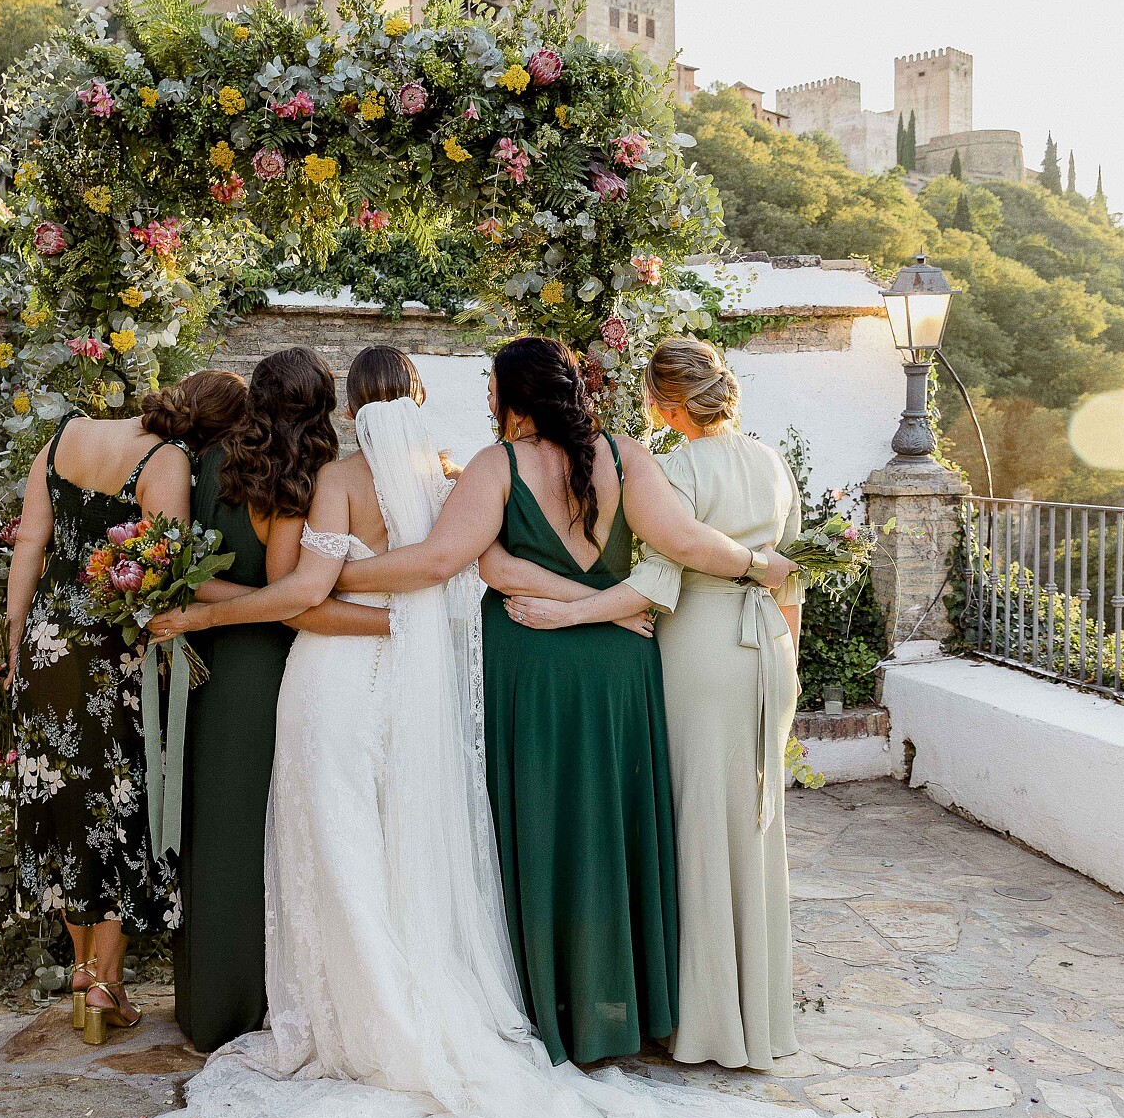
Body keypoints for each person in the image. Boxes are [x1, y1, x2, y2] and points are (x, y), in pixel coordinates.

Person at [153, 378, 1124, 1118]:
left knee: (410, 851)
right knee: (508, 849)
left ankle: (445, 1010)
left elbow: (409, 576)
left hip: (448, 677)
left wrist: (281, 597)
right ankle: (576, 1004)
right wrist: (685, 582)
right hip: (587, 668)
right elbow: (593, 561)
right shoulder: (580, 461)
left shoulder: (444, 473)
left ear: (501, 403)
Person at [335, 336, 793, 1066]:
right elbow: (679, 541)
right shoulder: (625, 457)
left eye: (490, 386)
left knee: (543, 824)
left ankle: (544, 1003)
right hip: (620, 672)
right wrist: (753, 565)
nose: (485, 399)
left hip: (533, 670)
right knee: (611, 827)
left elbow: (440, 561)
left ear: (515, 397)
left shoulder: (496, 466)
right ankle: (627, 1010)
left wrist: (329, 578)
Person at [499, 338, 804, 1070]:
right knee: (752, 822)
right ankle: (754, 1015)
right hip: (765, 644)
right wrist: (786, 663)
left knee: (695, 822)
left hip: (699, 646)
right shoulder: (770, 462)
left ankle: (700, 1021)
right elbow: (791, 570)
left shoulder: (671, 468)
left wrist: (566, 613)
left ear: (662, 402)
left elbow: (664, 572)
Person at [0, 374, 232, 1045]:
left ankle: (80, 972)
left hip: (45, 645)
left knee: (63, 804)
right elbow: (163, 567)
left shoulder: (66, 432)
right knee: (119, 808)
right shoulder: (168, 460)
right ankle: (105, 983)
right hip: (113, 652)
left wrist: (13, 638)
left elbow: (31, 545)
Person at [168, 348, 390, 1054]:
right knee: (259, 832)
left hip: (203, 669)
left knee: (214, 827)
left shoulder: (202, 463)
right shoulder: (296, 479)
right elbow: (293, 596)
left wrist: (203, 609)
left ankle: (206, 1005)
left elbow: (185, 573)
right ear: (322, 406)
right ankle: (252, 1004)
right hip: (267, 666)